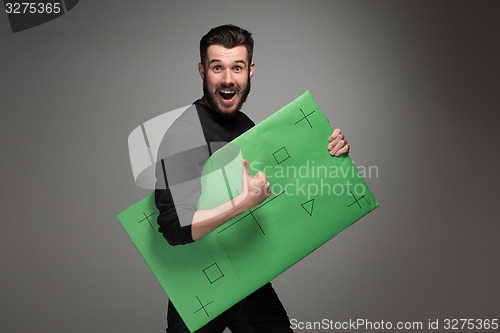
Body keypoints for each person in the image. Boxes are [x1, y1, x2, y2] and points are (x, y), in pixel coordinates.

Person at [154, 24, 350, 333]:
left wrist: (325, 150)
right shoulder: (184, 134)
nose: (228, 79)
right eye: (217, 67)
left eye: (237, 67)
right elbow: (173, 226)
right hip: (201, 283)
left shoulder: (245, 125)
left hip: (247, 278)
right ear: (202, 71)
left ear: (250, 70)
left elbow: (280, 184)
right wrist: (241, 203)